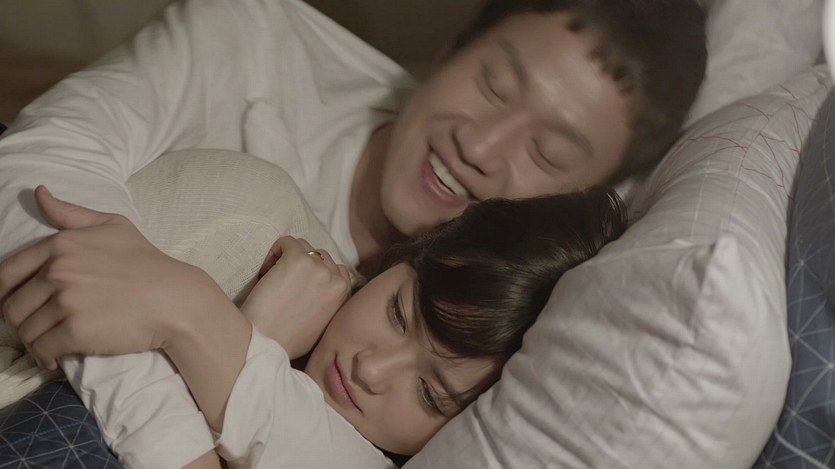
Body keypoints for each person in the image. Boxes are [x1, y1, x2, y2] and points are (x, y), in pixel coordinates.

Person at [0, 0, 705, 466]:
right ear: (449, 51)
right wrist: (181, 436)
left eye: (546, 154)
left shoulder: (517, 325)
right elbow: (35, 178)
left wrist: (217, 330)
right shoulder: (246, 41)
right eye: (493, 85)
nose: (481, 146)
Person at [3, 182, 627, 468]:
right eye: (397, 312)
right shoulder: (264, 242)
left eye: (429, 394)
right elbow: (89, 288)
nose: (371, 368)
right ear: (409, 255)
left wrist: (221, 323)